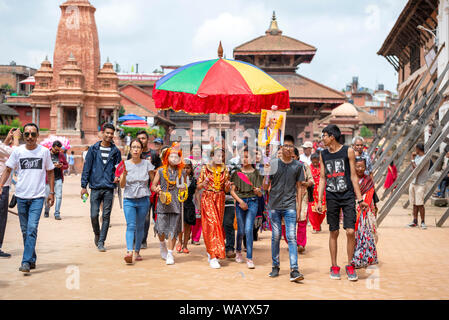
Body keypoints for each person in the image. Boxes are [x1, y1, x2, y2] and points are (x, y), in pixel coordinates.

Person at [0, 123, 55, 273]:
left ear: (37, 136)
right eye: (27, 134)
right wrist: (0, 185)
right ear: (23, 135)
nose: (30, 137)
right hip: (21, 197)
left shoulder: (44, 152)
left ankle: (25, 261)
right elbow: (8, 169)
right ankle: (31, 258)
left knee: (31, 229)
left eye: (33, 134)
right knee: (25, 231)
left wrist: (51, 193)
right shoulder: (18, 151)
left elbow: (50, 172)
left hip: (37, 197)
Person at [317, 124, 368, 282]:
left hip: (347, 196)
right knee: (334, 232)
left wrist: (360, 199)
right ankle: (334, 265)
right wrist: (320, 200)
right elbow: (323, 177)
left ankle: (350, 264)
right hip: (331, 196)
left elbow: (353, 176)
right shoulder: (323, 154)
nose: (322, 139)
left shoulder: (348, 151)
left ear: (332, 136)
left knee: (350, 231)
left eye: (324, 136)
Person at [263, 135, 305, 282]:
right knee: (275, 236)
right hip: (274, 205)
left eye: (290, 146)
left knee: (292, 237)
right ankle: (275, 266)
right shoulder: (273, 163)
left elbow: (299, 188)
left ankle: (294, 269)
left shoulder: (298, 166)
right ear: (281, 148)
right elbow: (265, 187)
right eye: (285, 146)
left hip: (290, 206)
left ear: (294, 148)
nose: (287, 148)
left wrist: (299, 208)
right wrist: (266, 173)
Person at [81, 124, 122, 252]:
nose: (109, 135)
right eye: (107, 133)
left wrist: (118, 176)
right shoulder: (93, 150)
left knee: (106, 215)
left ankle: (101, 241)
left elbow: (119, 168)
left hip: (109, 187)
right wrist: (83, 186)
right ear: (102, 133)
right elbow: (86, 168)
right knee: (94, 215)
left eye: (112, 133)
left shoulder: (116, 152)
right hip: (95, 186)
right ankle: (97, 234)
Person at [151, 144, 187, 266]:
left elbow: (184, 187)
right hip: (163, 203)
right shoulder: (161, 171)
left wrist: (183, 191)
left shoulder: (182, 173)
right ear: (167, 157)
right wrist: (158, 189)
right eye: (171, 156)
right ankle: (162, 246)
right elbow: (153, 186)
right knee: (160, 228)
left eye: (177, 157)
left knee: (173, 230)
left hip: (176, 204)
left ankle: (170, 254)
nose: (174, 158)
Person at [120, 139, 154, 264]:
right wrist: (123, 174)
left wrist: (159, 188)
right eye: (133, 147)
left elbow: (153, 181)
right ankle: (129, 251)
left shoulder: (147, 164)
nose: (135, 149)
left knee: (140, 226)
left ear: (141, 149)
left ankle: (137, 251)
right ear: (130, 149)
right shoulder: (124, 164)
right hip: (129, 199)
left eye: (138, 147)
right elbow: (122, 185)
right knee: (131, 225)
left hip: (143, 199)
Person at [197, 146, 231, 269]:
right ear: (212, 156)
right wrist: (203, 183)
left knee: (218, 226)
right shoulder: (205, 169)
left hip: (220, 199)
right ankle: (213, 255)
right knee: (212, 225)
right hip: (208, 197)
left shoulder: (225, 170)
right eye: (217, 155)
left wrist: (227, 186)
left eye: (222, 156)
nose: (220, 158)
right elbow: (199, 186)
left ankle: (212, 250)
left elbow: (226, 189)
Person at [230, 147, 263, 269]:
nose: (245, 159)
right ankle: (238, 250)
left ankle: (249, 258)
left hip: (253, 202)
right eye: (243, 157)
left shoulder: (256, 173)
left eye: (247, 157)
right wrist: (240, 202)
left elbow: (260, 194)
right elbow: (232, 191)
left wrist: (258, 191)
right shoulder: (237, 173)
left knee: (249, 229)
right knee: (241, 230)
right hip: (240, 203)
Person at [127, 130, 157, 249]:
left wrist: (153, 173)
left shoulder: (153, 155)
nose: (141, 140)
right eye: (139, 138)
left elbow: (158, 169)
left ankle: (142, 241)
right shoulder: (130, 158)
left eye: (143, 138)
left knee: (144, 219)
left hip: (147, 192)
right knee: (131, 222)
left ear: (147, 140)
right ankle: (132, 245)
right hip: (131, 194)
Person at [352, 157, 378, 268]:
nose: (360, 169)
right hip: (353, 210)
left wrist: (371, 209)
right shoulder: (351, 180)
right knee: (354, 234)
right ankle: (355, 256)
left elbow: (372, 195)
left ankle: (368, 256)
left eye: (362, 166)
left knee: (369, 233)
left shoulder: (368, 180)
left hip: (367, 211)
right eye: (357, 166)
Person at [0, 128, 21, 258]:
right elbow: (16, 153)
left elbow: (3, 149)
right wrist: (17, 138)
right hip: (2, 186)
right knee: (1, 218)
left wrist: (7, 140)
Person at [176, 159, 197, 254]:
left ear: (191, 169)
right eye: (183, 168)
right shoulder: (178, 178)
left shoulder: (194, 180)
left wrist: (199, 206)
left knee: (188, 225)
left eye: (188, 168)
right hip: (179, 204)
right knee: (180, 225)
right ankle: (179, 242)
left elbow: (196, 194)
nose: (185, 169)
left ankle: (185, 245)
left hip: (189, 205)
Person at [44, 141, 68, 220]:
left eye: (59, 150)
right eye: (56, 150)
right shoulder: (47, 154)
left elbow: (66, 165)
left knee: (59, 196)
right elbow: (43, 165)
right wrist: (52, 165)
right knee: (47, 196)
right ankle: (47, 210)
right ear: (52, 147)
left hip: (58, 178)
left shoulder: (61, 155)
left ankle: (57, 213)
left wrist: (61, 166)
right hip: (48, 179)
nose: (58, 151)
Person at [408, 143, 429, 229]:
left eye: (415, 148)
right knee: (414, 203)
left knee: (420, 203)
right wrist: (413, 160)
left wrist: (412, 159)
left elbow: (416, 169)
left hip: (420, 183)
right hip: (413, 182)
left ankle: (423, 222)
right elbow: (412, 168)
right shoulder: (417, 157)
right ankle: (415, 221)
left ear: (418, 149)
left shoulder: (425, 158)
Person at [309, 153, 326, 233]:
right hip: (312, 192)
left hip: (322, 193)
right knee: (313, 211)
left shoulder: (323, 168)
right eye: (313, 162)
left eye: (317, 162)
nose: (315, 164)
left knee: (322, 211)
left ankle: (318, 224)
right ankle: (315, 227)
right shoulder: (308, 168)